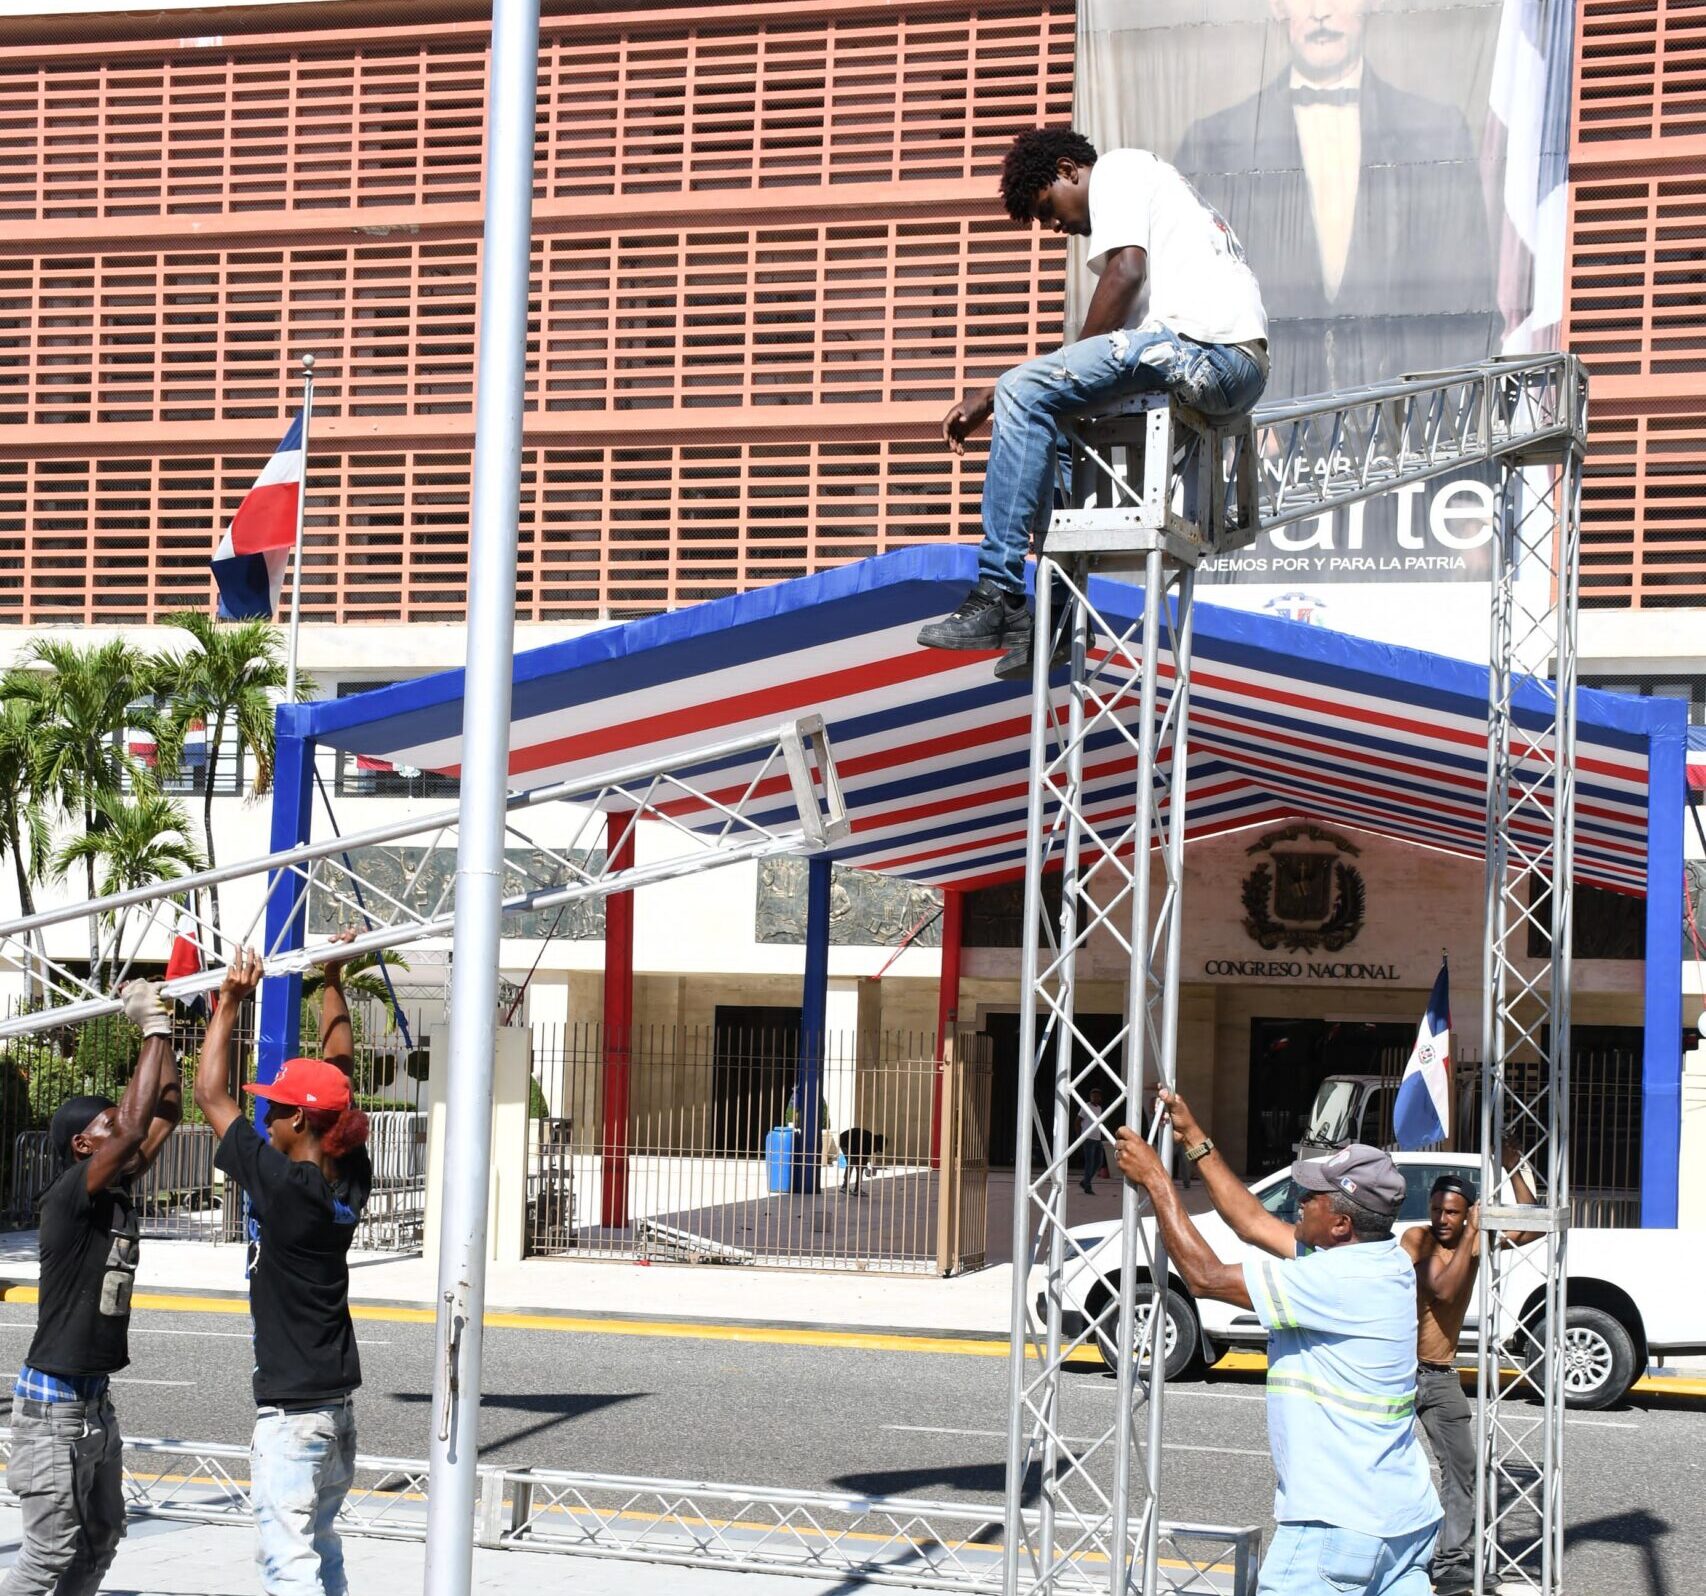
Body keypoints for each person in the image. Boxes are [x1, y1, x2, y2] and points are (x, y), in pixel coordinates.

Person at [915, 127, 1269, 679]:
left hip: (1208, 352)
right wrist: (1018, 387)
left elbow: (1125, 272)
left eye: (1046, 209)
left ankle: (998, 593)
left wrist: (1000, 389)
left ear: (1067, 170)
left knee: (1024, 392)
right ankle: (1053, 617)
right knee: (1052, 416)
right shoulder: (1162, 206)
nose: (1056, 227)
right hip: (1225, 362)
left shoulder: (1120, 170)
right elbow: (1090, 360)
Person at [1118, 1091, 1441, 1595]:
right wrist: (1195, 1140)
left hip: (1339, 1527)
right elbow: (1250, 1222)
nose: (1299, 1201)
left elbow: (1203, 1277)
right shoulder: (1383, 1260)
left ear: (1340, 1224)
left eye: (1311, 1196)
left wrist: (1157, 1179)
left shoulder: (1336, 1281)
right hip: (1405, 1522)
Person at [1170, 0, 1495, 403]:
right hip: (1264, 424)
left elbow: (1464, 295)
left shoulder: (1438, 134)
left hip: (1402, 423)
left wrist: (1433, 410)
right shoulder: (1213, 146)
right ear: (1276, 7)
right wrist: (1234, 411)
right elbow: (1192, 299)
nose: (1320, 11)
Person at [194, 941, 371, 1596]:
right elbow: (339, 1070)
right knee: (321, 1555)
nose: (263, 1118)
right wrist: (332, 981)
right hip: (334, 1414)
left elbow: (208, 1093)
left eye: (274, 1108)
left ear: (301, 1122)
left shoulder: (285, 1187)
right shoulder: (348, 1177)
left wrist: (232, 1000)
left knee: (289, 1568)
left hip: (295, 1422)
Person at [4, 980, 182, 1596]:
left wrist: (168, 1029)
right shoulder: (70, 1198)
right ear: (84, 1147)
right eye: (108, 1125)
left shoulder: (115, 1186)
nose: (122, 1131)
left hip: (92, 1404)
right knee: (46, 1555)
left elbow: (164, 1115)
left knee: (102, 1537)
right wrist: (151, 1031)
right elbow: (134, 1129)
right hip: (52, 1409)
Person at [1398, 1150, 1539, 1596]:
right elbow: (1442, 1288)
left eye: (1452, 1212)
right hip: (1399, 1374)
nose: (1441, 1218)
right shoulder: (1414, 1239)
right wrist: (1473, 1235)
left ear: (1466, 1214)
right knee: (1385, 1468)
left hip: (1440, 1376)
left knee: (1462, 1469)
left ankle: (1451, 1560)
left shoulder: (1471, 1240)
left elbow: (1533, 1224)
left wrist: (1516, 1165)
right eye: (1437, 1209)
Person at [1080, 1086, 1109, 1194]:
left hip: (1097, 1138)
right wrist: (1081, 1136)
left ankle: (1085, 1181)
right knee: (1090, 1163)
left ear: (1100, 1098)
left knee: (1098, 1162)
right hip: (1088, 1138)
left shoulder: (1099, 1108)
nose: (1094, 1098)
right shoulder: (1086, 1107)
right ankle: (1087, 1186)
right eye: (1093, 1096)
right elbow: (1078, 1121)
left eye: (1097, 1096)